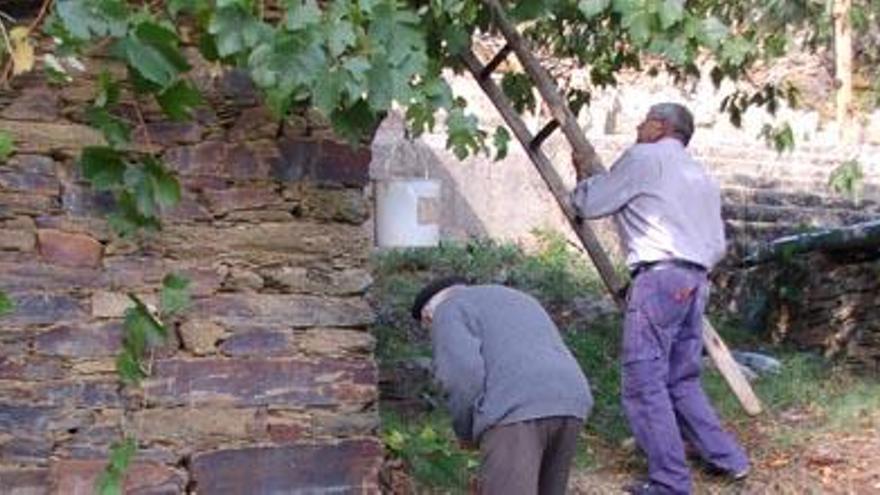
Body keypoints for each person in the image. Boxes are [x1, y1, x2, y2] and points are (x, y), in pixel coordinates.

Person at [570, 102, 750, 495]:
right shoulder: (698, 172)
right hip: (696, 278)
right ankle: (729, 459)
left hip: (660, 277)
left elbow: (589, 203)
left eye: (645, 119)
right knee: (681, 378)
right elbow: (717, 242)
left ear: (661, 127)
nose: (638, 125)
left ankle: (669, 481)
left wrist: (584, 177)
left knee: (643, 381)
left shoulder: (644, 157)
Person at [411, 277, 593, 495]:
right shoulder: (514, 297)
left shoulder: (449, 310)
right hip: (571, 400)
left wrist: (466, 432)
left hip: (515, 407)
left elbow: (461, 376)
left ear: (428, 315)